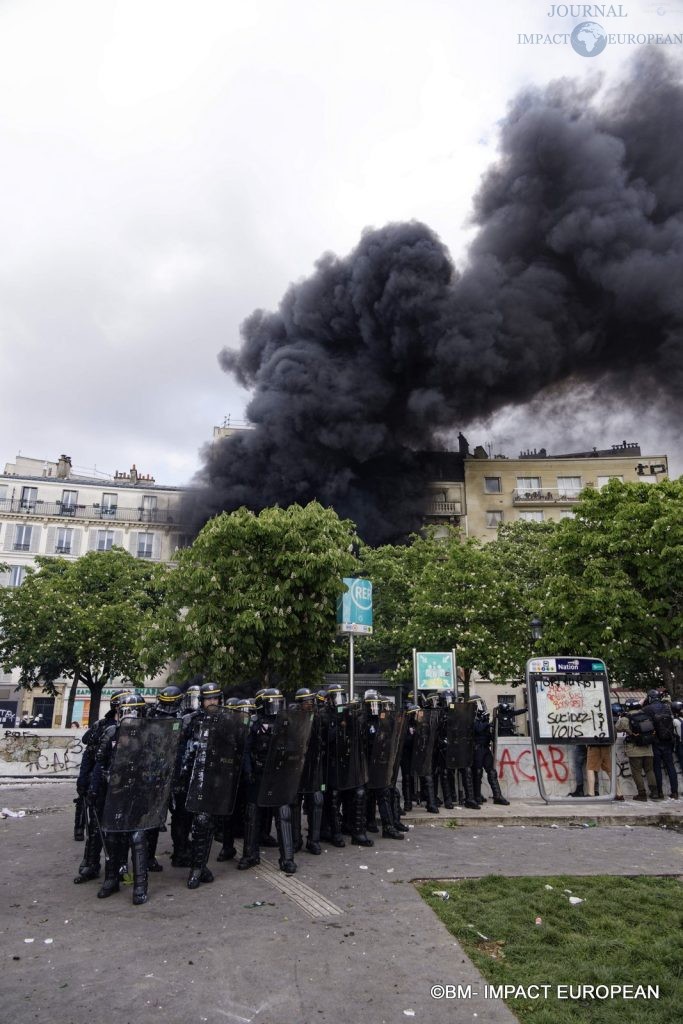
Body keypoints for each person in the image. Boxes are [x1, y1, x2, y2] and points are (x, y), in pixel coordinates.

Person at [88, 692, 151, 905]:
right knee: (113, 837)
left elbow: (160, 760)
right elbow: (100, 762)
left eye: (134, 711)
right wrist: (95, 788)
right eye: (126, 711)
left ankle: (140, 885)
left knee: (137, 837)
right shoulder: (111, 733)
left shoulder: (149, 734)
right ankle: (111, 879)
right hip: (115, 793)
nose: (130, 715)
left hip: (138, 792)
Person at [616, 699, 657, 801]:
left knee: (637, 772)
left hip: (634, 750)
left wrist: (621, 718)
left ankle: (642, 794)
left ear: (627, 707)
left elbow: (617, 727)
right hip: (648, 748)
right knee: (650, 770)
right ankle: (655, 792)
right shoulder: (646, 716)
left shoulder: (626, 718)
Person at [642, 689, 679, 800]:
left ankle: (659, 792)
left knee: (656, 767)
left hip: (655, 741)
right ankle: (674, 792)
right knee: (670, 766)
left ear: (650, 698)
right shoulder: (667, 707)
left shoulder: (647, 709)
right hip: (668, 741)